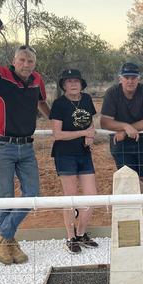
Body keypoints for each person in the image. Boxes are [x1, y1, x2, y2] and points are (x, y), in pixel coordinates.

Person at [0, 18, 50, 264]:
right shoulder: (2, 76)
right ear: (14, 61)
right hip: (3, 147)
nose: (26, 64)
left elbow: (41, 103)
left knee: (32, 194)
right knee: (6, 196)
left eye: (30, 61)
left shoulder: (37, 80)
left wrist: (56, 121)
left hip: (26, 148)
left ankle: (0, 237)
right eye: (22, 60)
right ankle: (7, 243)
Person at [100, 62, 143, 222]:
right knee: (128, 177)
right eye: (126, 77)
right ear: (120, 78)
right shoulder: (112, 93)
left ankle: (142, 211)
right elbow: (105, 122)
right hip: (120, 143)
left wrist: (126, 131)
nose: (130, 81)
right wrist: (125, 127)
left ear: (138, 79)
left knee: (141, 177)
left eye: (133, 77)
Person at [50, 69, 99, 254]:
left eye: (76, 81)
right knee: (70, 197)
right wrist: (83, 133)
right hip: (65, 154)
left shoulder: (86, 99)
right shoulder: (59, 104)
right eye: (68, 81)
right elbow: (57, 134)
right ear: (63, 85)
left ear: (81, 83)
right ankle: (70, 237)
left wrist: (91, 135)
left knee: (91, 196)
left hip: (84, 153)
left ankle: (81, 233)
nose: (72, 84)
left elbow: (91, 123)